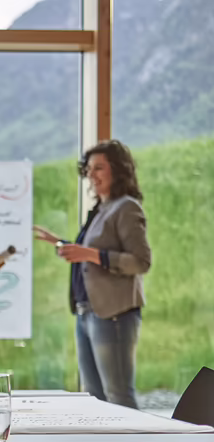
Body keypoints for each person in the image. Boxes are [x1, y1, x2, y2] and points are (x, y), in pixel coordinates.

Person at [34, 140, 151, 409]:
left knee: (118, 395)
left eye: (99, 168)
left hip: (114, 316)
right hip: (87, 312)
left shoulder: (127, 207)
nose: (91, 175)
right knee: (95, 398)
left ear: (118, 170)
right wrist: (62, 244)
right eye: (88, 169)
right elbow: (92, 252)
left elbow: (141, 262)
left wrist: (88, 254)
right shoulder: (101, 209)